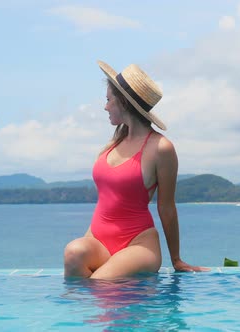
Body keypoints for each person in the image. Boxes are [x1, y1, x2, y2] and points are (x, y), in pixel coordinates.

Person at [63, 60, 208, 279]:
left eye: (108, 100)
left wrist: (176, 259)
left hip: (138, 245)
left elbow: (166, 206)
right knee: (73, 253)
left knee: (101, 282)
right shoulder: (113, 144)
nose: (105, 107)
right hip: (98, 240)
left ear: (123, 102)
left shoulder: (160, 148)